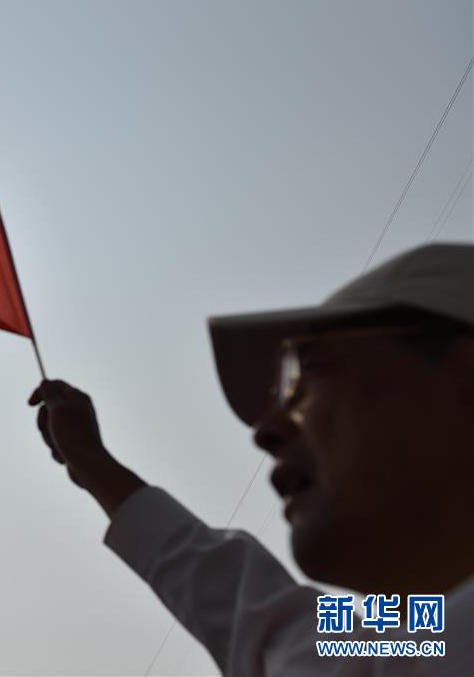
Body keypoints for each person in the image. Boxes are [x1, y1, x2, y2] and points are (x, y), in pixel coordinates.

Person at [28, 242, 473, 676]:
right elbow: (276, 633)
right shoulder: (416, 643)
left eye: (308, 375)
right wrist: (94, 464)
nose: (265, 431)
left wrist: (96, 466)